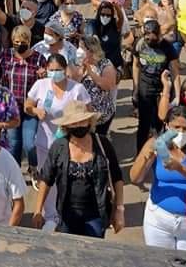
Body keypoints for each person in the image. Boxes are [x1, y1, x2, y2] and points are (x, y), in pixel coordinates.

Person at [129, 105, 186, 256]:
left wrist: (180, 168)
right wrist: (147, 157)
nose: (181, 132)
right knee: (159, 261)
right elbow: (135, 178)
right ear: (167, 126)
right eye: (176, 127)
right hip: (159, 220)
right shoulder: (155, 142)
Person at [33, 101, 125, 238]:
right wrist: (38, 210)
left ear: (89, 121)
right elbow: (46, 179)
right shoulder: (58, 147)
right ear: (66, 126)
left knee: (93, 247)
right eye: (73, 123)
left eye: (82, 121)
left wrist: (119, 210)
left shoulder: (103, 144)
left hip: (96, 213)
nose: (78, 125)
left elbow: (117, 178)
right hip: (67, 215)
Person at [24, 53, 91, 224]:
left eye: (58, 70)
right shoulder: (40, 85)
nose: (55, 73)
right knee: (47, 181)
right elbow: (27, 105)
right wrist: (36, 111)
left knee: (68, 180)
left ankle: (69, 214)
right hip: (44, 143)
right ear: (46, 69)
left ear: (65, 69)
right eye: (51, 70)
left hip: (70, 145)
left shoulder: (77, 89)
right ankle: (50, 216)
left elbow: (88, 114)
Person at [0, 25, 47, 169]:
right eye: (16, 42)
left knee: (29, 144)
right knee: (13, 144)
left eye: (23, 42)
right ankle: (15, 172)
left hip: (30, 109)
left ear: (29, 41)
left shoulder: (38, 59)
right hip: (12, 109)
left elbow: (46, 85)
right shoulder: (5, 56)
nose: (19, 45)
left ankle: (34, 168)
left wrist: (44, 75)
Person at [133, 18, 180, 151]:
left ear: (159, 35)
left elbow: (175, 72)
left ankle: (160, 153)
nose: (149, 40)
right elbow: (135, 65)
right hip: (145, 88)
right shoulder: (140, 44)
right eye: (147, 37)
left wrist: (177, 95)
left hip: (162, 89)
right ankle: (140, 154)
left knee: (160, 122)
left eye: (153, 37)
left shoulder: (168, 47)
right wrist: (136, 87)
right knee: (143, 124)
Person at [74, 35, 119, 137]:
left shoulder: (105, 65)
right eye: (78, 47)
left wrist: (90, 72)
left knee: (99, 140)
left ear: (91, 50)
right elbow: (75, 85)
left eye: (82, 48)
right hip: (84, 114)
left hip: (101, 115)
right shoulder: (80, 64)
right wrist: (81, 72)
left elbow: (107, 86)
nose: (79, 51)